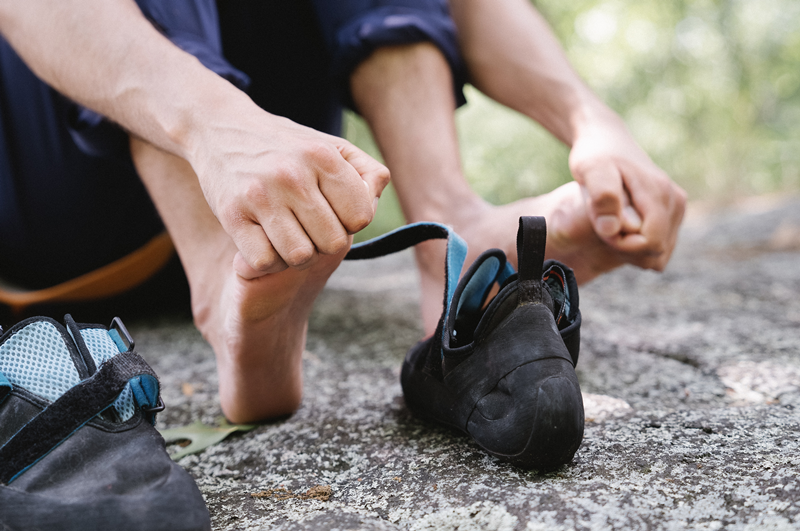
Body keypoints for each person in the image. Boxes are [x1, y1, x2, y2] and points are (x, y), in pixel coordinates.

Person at [0, 0, 685, 425]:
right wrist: (214, 123)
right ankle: (219, 274)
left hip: (262, 170)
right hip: (59, 188)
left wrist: (590, 120)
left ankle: (448, 222)